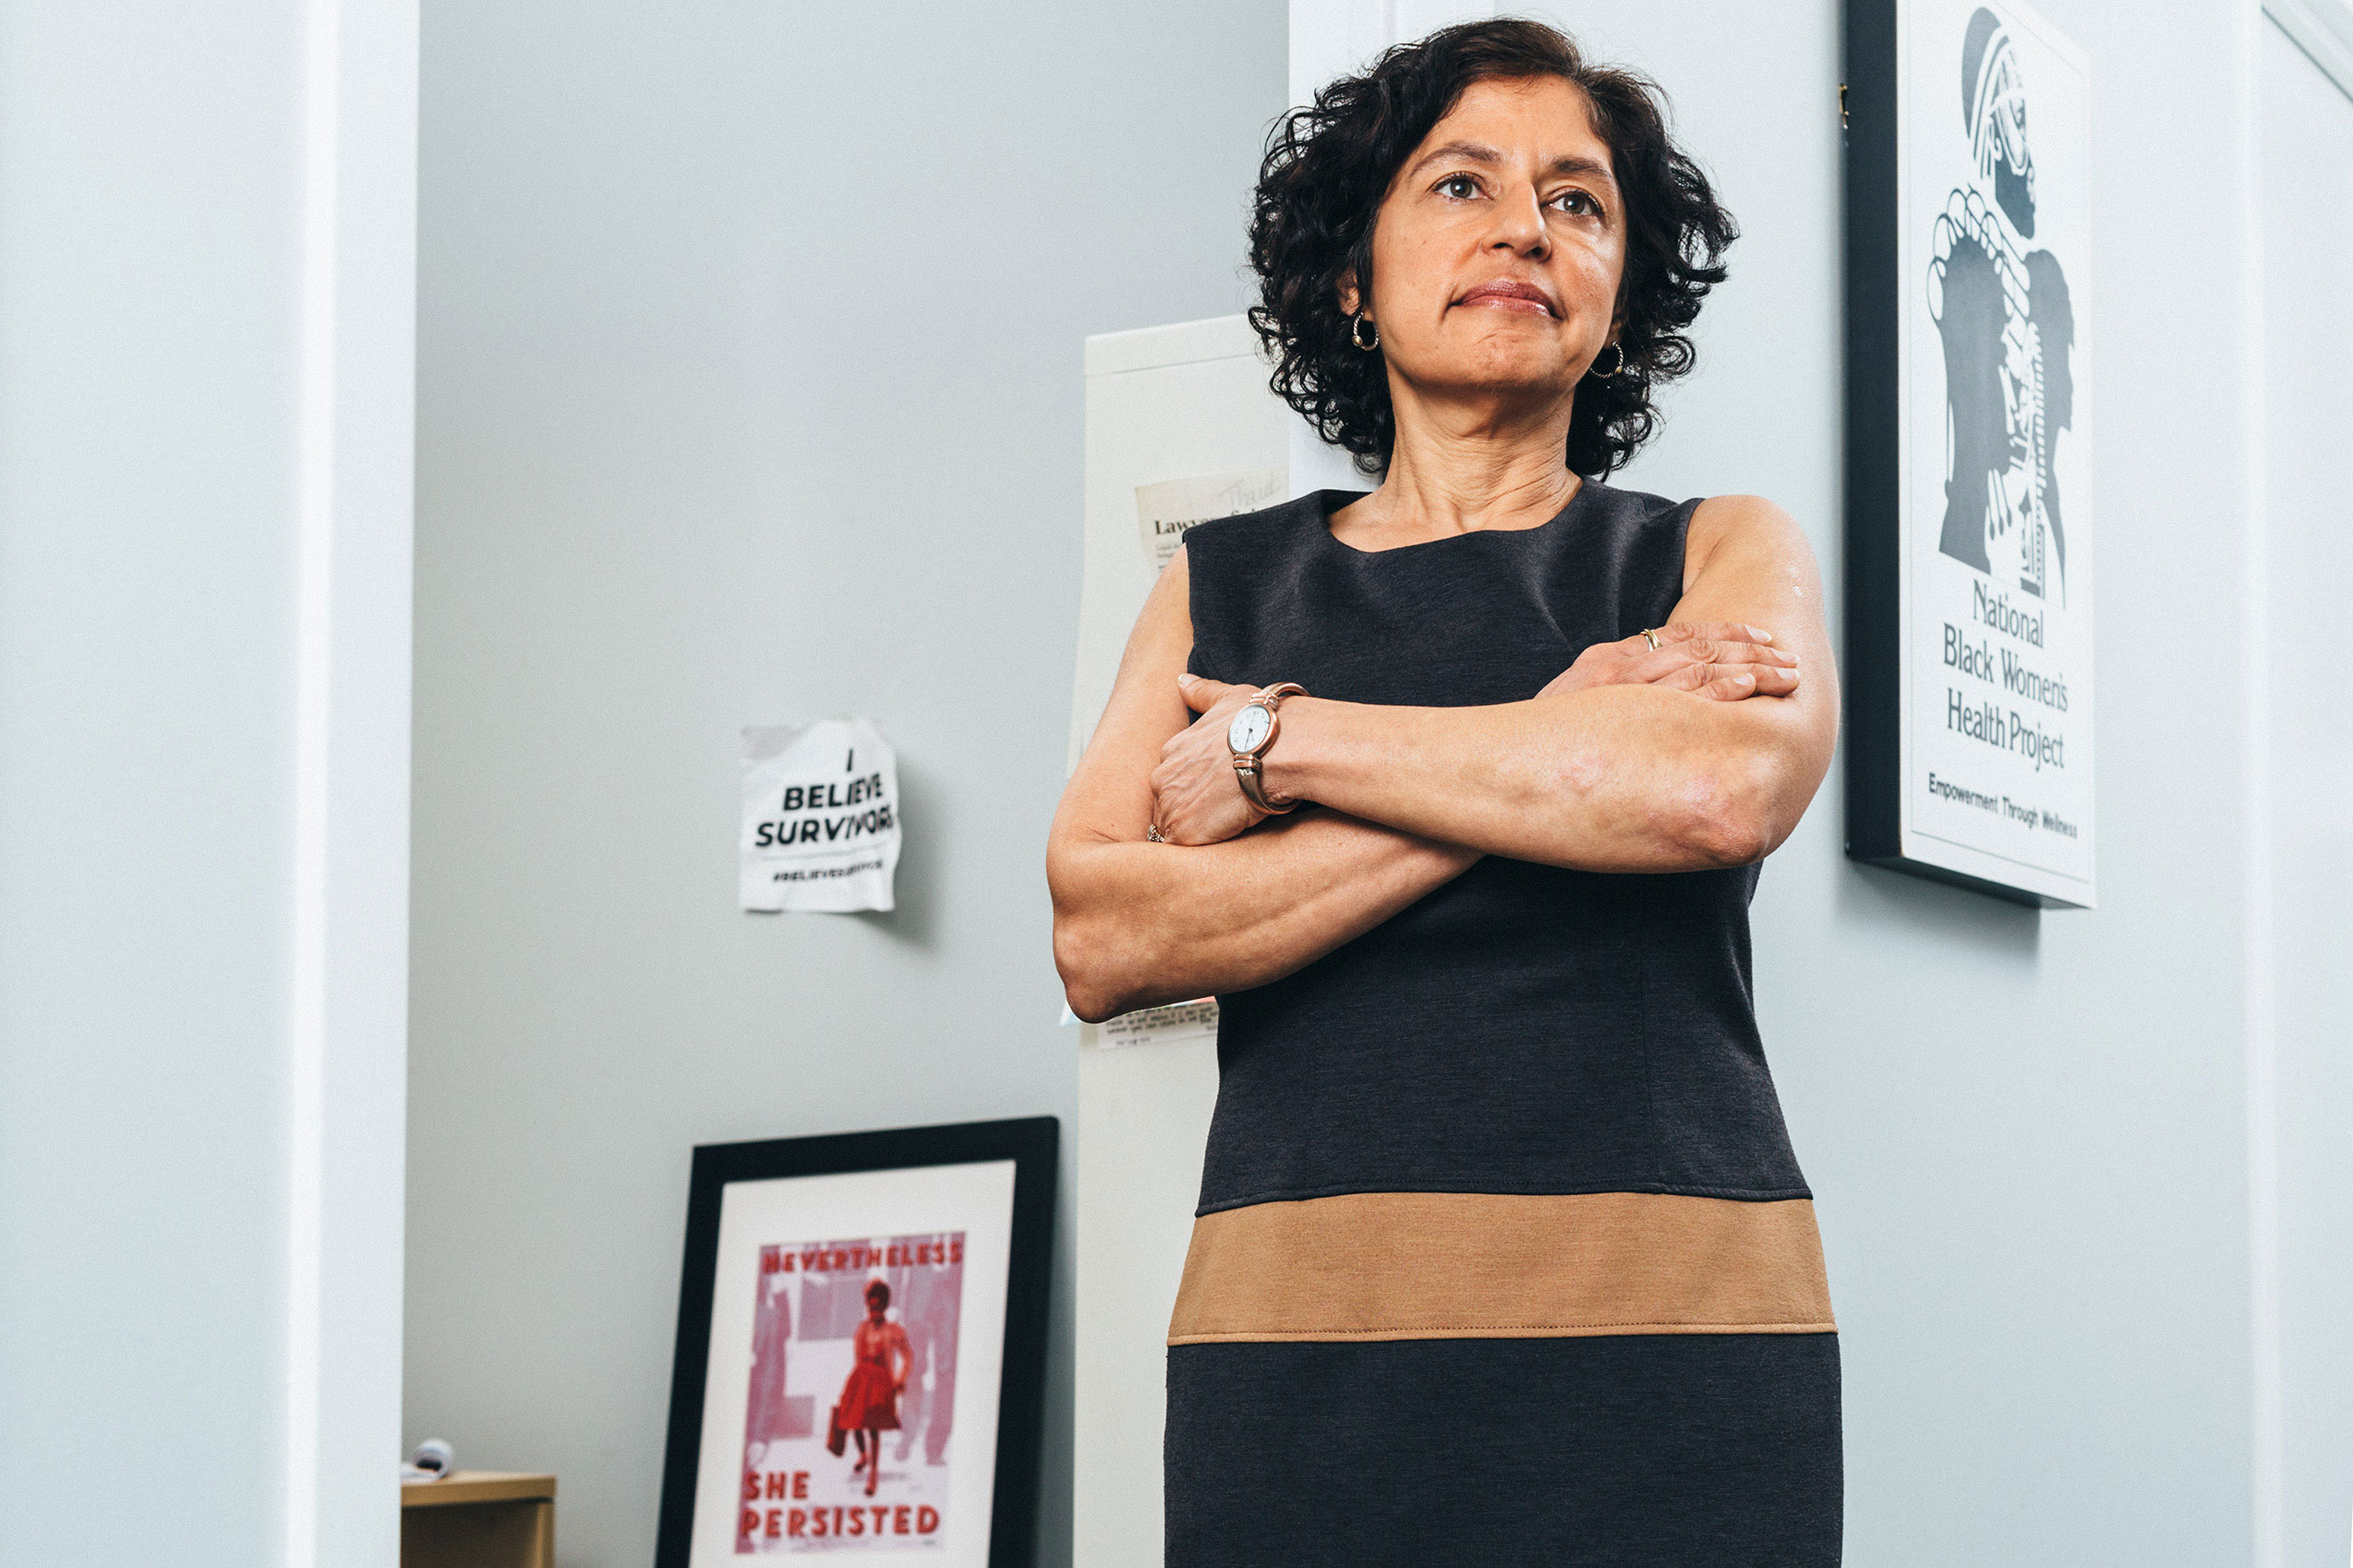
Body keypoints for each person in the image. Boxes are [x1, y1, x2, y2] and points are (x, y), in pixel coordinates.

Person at [1047, 20, 1842, 1566]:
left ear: (1619, 295)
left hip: (1680, 1352)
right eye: (1461, 184)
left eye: (1576, 201)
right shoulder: (1221, 586)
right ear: (1354, 275)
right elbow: (1103, 930)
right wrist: (1564, 729)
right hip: (1296, 1365)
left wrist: (1279, 749)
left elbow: (1713, 794)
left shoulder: (1713, 550)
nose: (1524, 229)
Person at [834, 1279, 910, 1499]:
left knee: (873, 1427)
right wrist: (856, 1382)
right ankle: (863, 1454)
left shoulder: (893, 1330)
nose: (873, 1311)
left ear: (884, 1306)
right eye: (870, 1306)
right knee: (853, 1419)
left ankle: (873, 1474)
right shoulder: (862, 1328)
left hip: (880, 1382)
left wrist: (900, 1379)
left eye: (877, 1307)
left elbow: (907, 1356)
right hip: (861, 1378)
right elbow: (857, 1355)